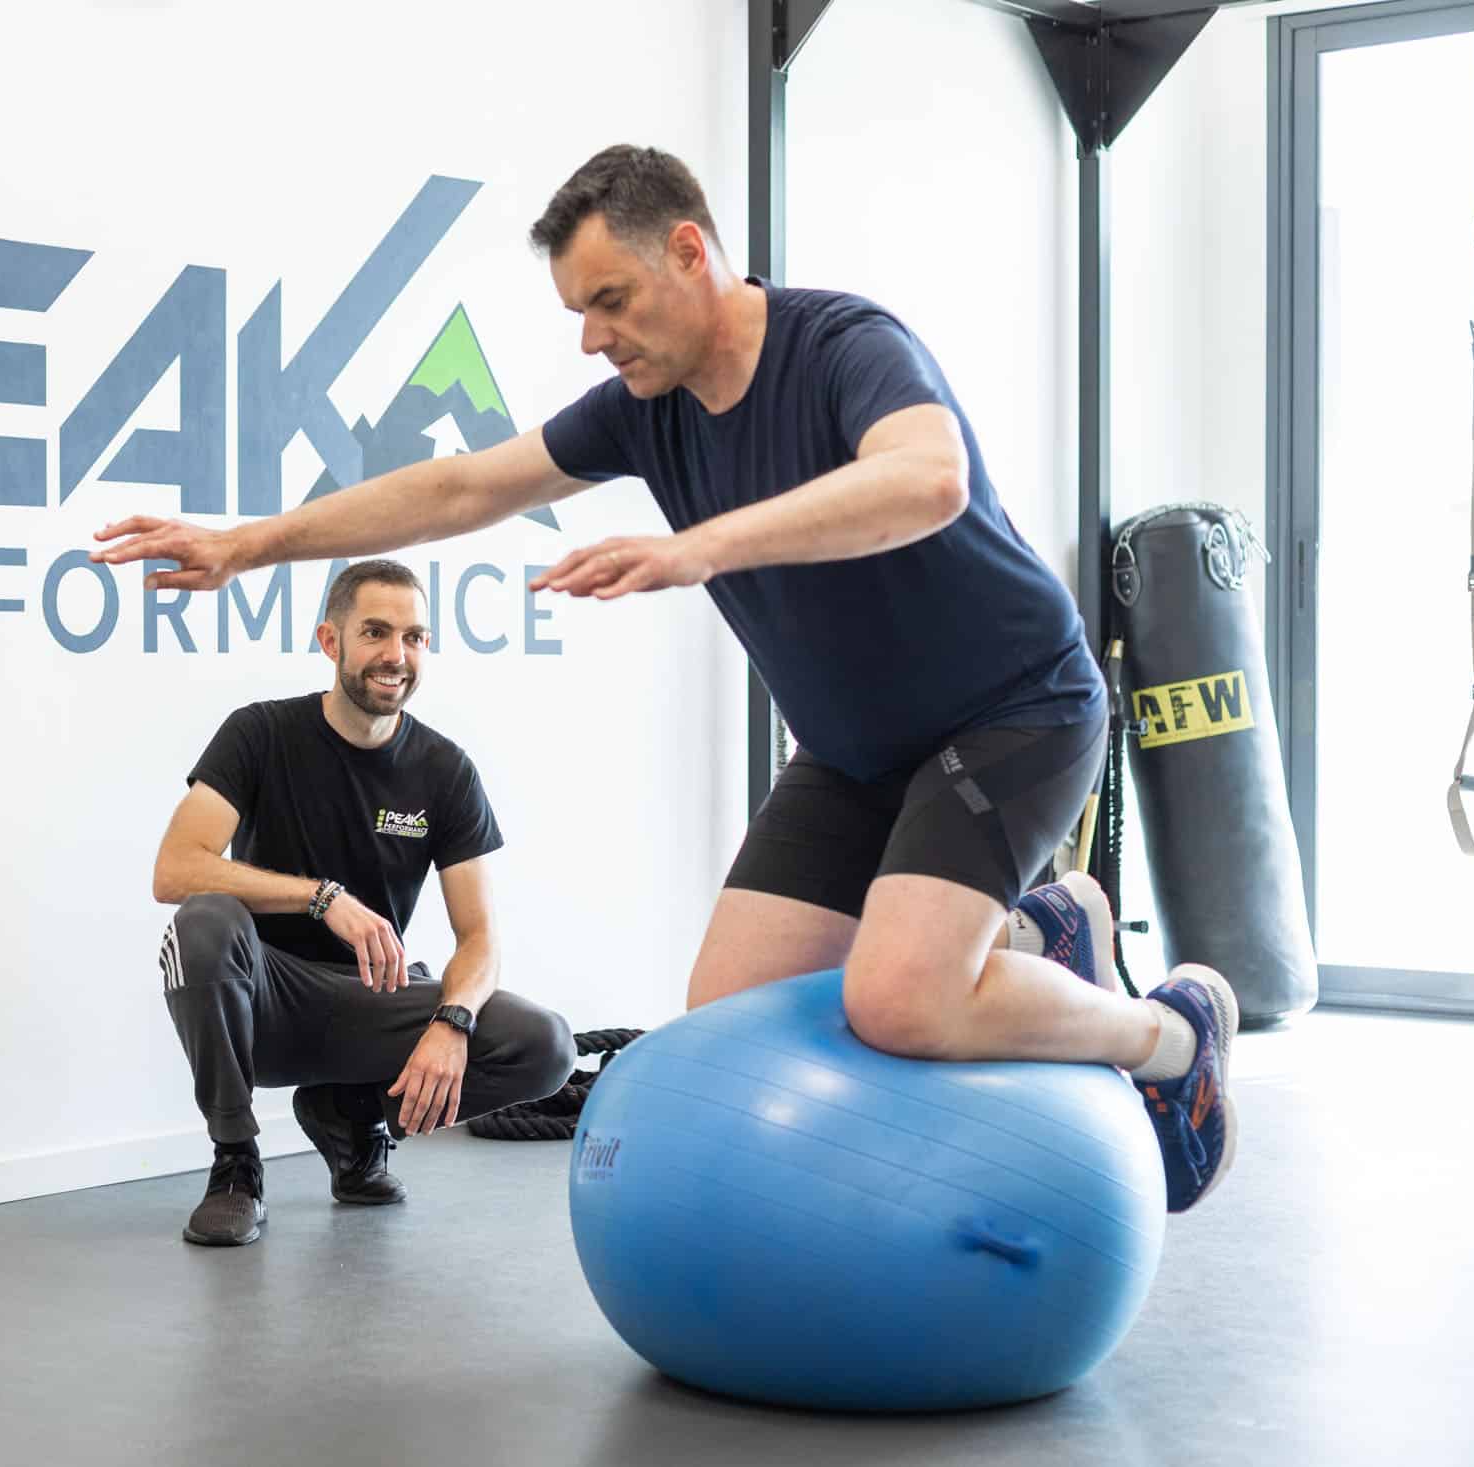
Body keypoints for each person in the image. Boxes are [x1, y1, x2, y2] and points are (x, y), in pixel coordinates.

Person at [99, 146, 1237, 1214]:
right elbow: (460, 488)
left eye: (610, 300)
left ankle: (1171, 1038)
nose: (593, 339)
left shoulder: (842, 346)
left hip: (1010, 713)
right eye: (578, 312)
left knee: (901, 998)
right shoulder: (645, 412)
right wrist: (248, 543)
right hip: (854, 755)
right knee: (727, 1014)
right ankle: (1035, 940)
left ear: (690, 252)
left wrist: (700, 548)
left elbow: (929, 481)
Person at [152, 559, 577, 1246]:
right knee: (203, 921)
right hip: (265, 1001)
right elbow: (175, 869)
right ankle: (236, 1163)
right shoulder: (260, 733)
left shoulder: (445, 770)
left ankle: (351, 1114)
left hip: (373, 1001)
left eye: (414, 637)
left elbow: (480, 938)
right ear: (331, 641)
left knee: (544, 1045)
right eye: (375, 632)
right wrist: (320, 898)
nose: (395, 655)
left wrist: (453, 1023)